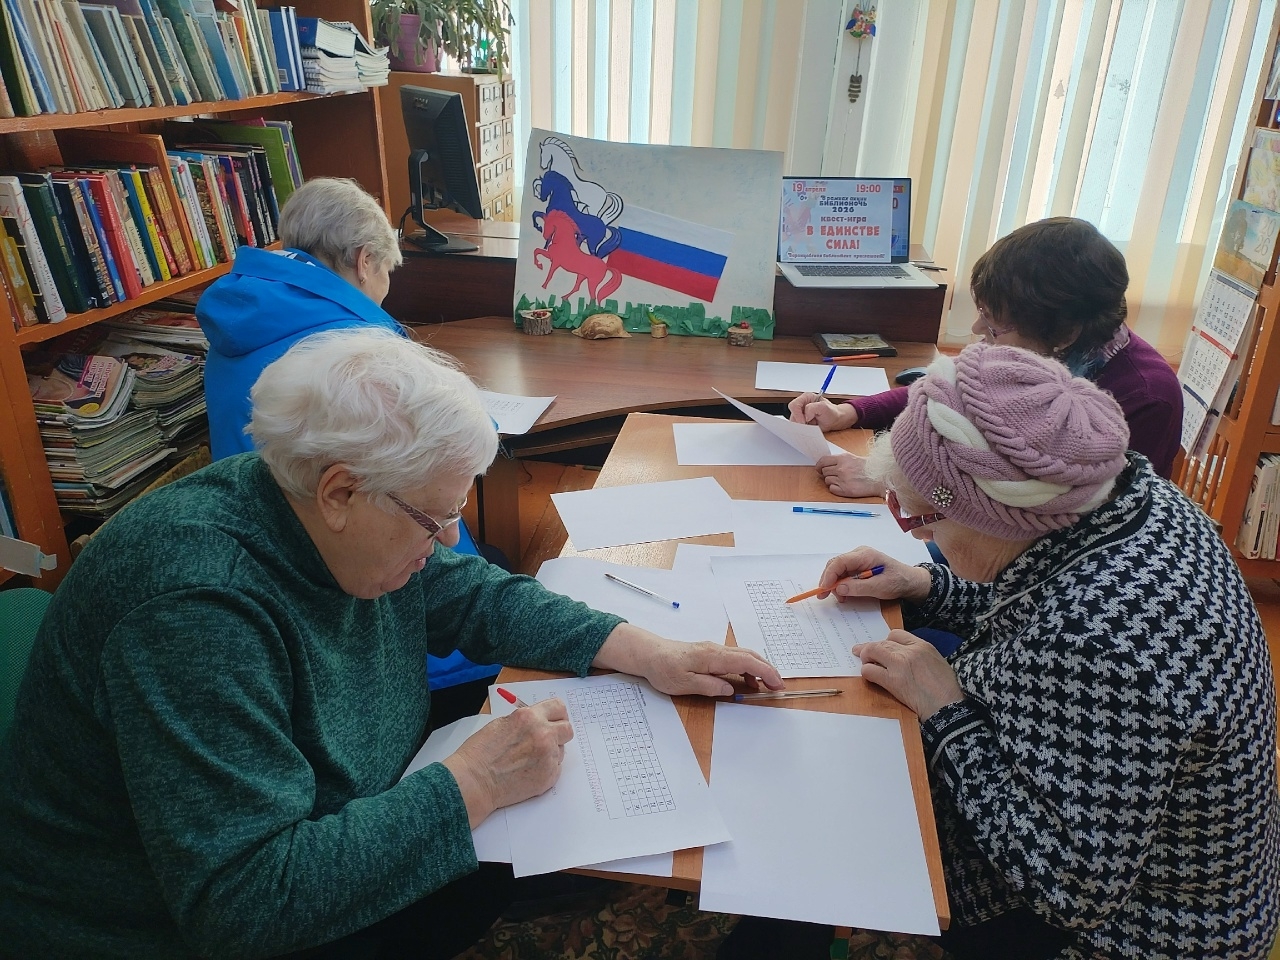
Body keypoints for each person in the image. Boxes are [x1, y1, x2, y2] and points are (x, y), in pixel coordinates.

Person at [0, 328, 784, 960]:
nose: (445, 540)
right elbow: (244, 903)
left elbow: (469, 592)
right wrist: (473, 784)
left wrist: (647, 650)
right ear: (341, 491)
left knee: (556, 841)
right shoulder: (194, 612)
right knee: (557, 860)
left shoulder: (321, 507)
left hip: (334, 813)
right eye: (433, 519)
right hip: (161, 929)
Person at [810, 343, 1275, 958]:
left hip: (1129, 932)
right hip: (1112, 839)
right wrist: (929, 585)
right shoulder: (1123, 497)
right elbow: (1044, 599)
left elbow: (1070, 887)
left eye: (923, 522)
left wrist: (947, 711)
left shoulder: (1106, 648)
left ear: (995, 519)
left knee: (830, 835)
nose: (921, 535)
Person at [196, 176, 498, 708]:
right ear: (364, 261)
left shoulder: (237, 319)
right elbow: (442, 470)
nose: (386, 291)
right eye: (387, 273)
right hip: (361, 584)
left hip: (273, 554)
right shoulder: (354, 342)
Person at [788, 218, 1183, 497]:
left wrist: (892, 482)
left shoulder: (1145, 398)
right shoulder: (1040, 348)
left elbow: (1061, 513)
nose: (977, 330)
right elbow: (947, 387)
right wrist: (849, 412)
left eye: (994, 326)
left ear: (1064, 333)